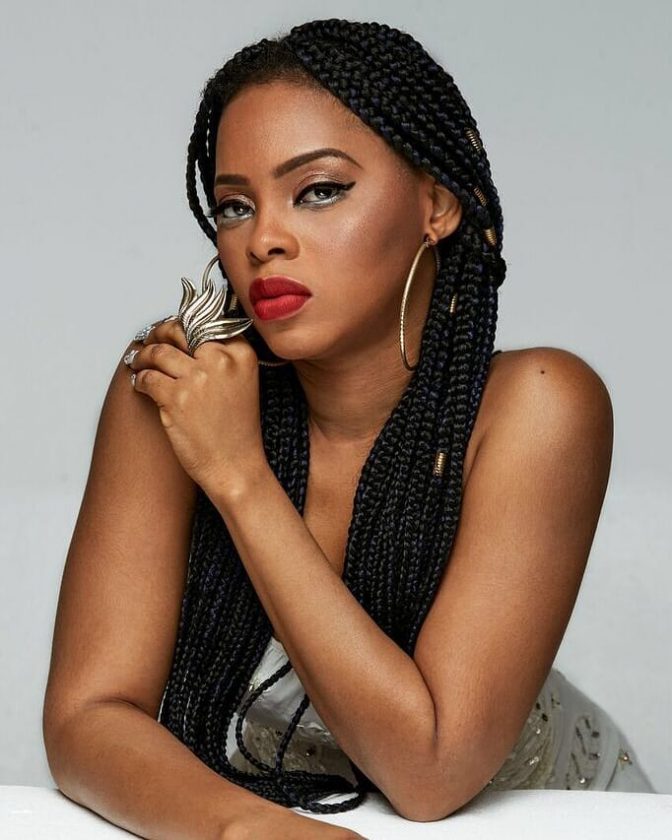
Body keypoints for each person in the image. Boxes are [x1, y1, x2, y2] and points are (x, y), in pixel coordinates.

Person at [42, 17, 655, 839]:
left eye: (319, 190)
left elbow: (431, 771)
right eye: (235, 205)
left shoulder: (540, 405)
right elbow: (86, 717)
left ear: (437, 203)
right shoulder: (175, 393)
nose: (265, 239)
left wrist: (239, 478)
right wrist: (243, 829)